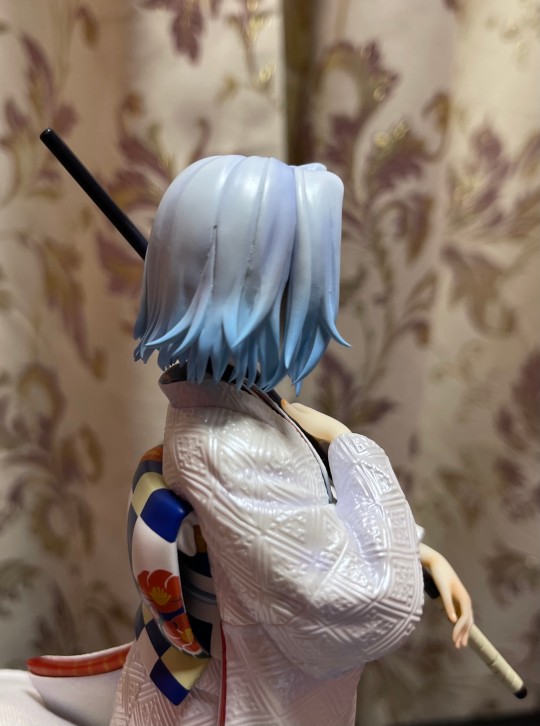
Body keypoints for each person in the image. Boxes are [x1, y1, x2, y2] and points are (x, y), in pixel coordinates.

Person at [108, 155, 473, 726]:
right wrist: (348, 444)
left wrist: (417, 553)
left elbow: (306, 533)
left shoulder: (233, 413)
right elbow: (362, 602)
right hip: (240, 699)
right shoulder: (226, 447)